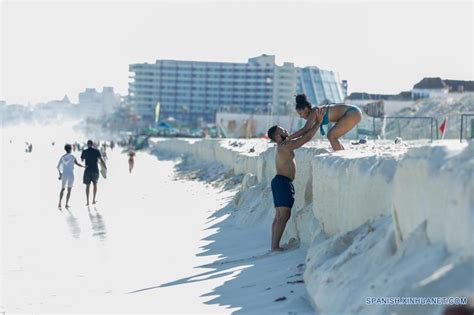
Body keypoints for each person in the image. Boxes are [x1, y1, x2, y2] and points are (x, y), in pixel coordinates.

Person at [266, 107, 325, 251]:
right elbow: (305, 139)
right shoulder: (285, 146)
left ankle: (274, 245)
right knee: (283, 216)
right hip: (282, 183)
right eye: (283, 131)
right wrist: (318, 123)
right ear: (278, 136)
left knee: (279, 216)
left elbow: (302, 136)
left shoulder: (282, 145)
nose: (286, 131)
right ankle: (275, 246)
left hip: (280, 182)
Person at [287, 94, 362, 151]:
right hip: (353, 112)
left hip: (352, 112)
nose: (301, 116)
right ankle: (343, 155)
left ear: (306, 109)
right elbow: (308, 133)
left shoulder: (314, 112)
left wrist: (288, 138)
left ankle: (342, 157)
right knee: (332, 135)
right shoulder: (314, 113)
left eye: (300, 113)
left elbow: (305, 129)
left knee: (331, 135)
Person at [57, 144, 84, 209]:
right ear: (70, 149)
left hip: (64, 174)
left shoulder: (62, 157)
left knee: (62, 189)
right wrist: (84, 166)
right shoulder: (72, 156)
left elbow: (58, 167)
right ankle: (66, 204)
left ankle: (59, 203)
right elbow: (77, 164)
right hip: (71, 174)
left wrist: (60, 174)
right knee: (69, 190)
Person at [81, 140, 107, 206]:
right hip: (95, 170)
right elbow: (101, 160)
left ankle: (87, 201)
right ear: (92, 144)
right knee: (95, 184)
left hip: (87, 170)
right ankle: (93, 200)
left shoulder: (85, 151)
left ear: (87, 144)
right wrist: (105, 167)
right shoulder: (96, 151)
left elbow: (82, 159)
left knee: (87, 186)